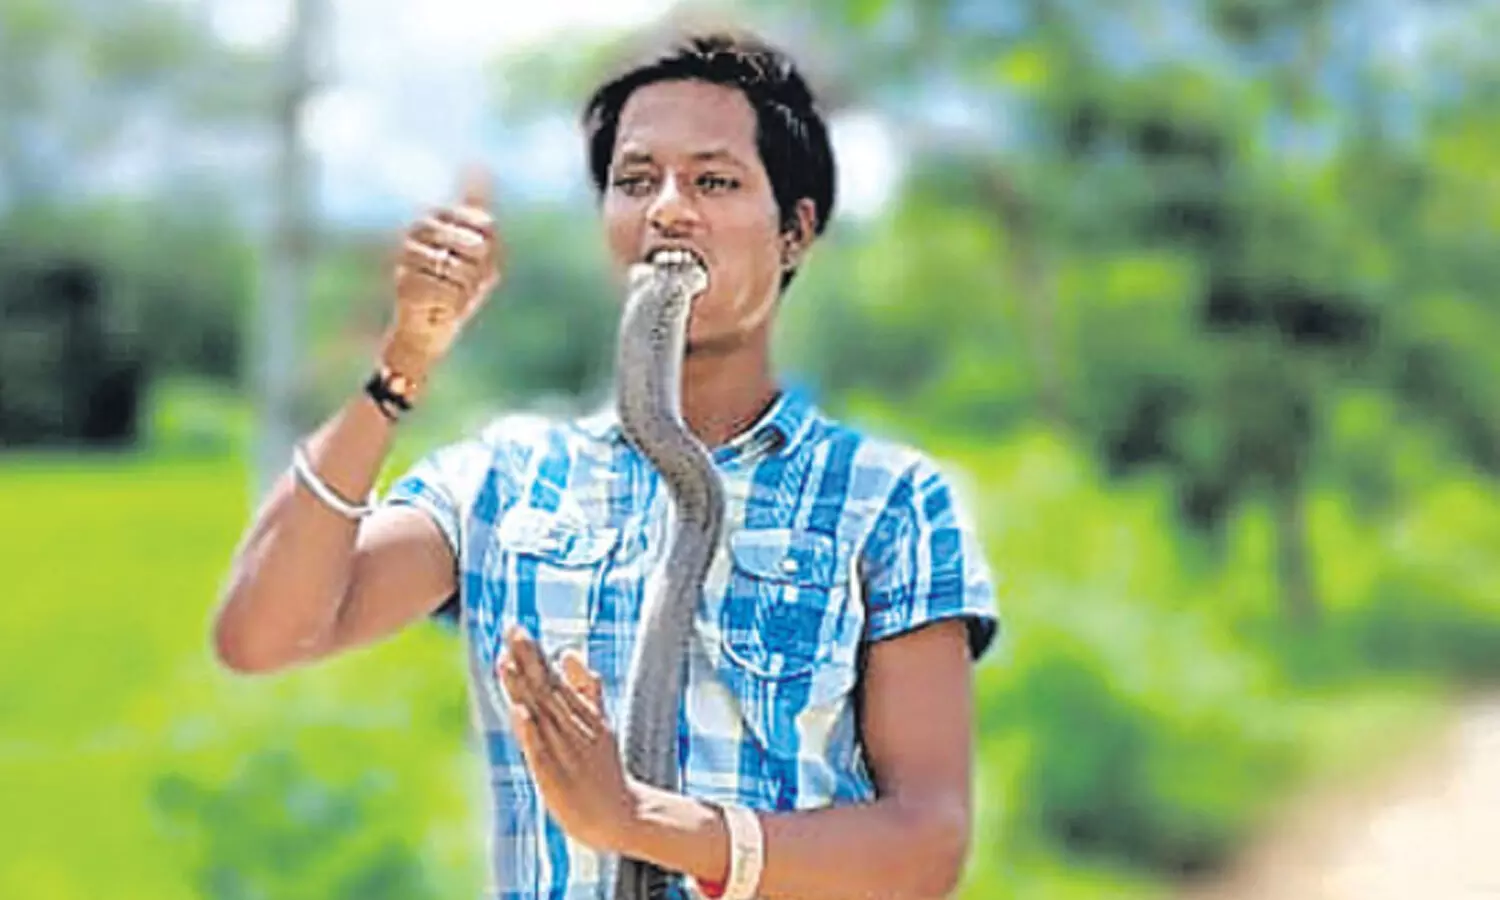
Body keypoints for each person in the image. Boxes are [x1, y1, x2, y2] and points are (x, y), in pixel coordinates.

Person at [213, 25, 1000, 900]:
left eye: (714, 180)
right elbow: (261, 634)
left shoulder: (890, 499)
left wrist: (639, 822)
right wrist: (401, 369)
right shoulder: (502, 481)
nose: (667, 208)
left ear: (795, 232)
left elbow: (926, 845)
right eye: (635, 180)